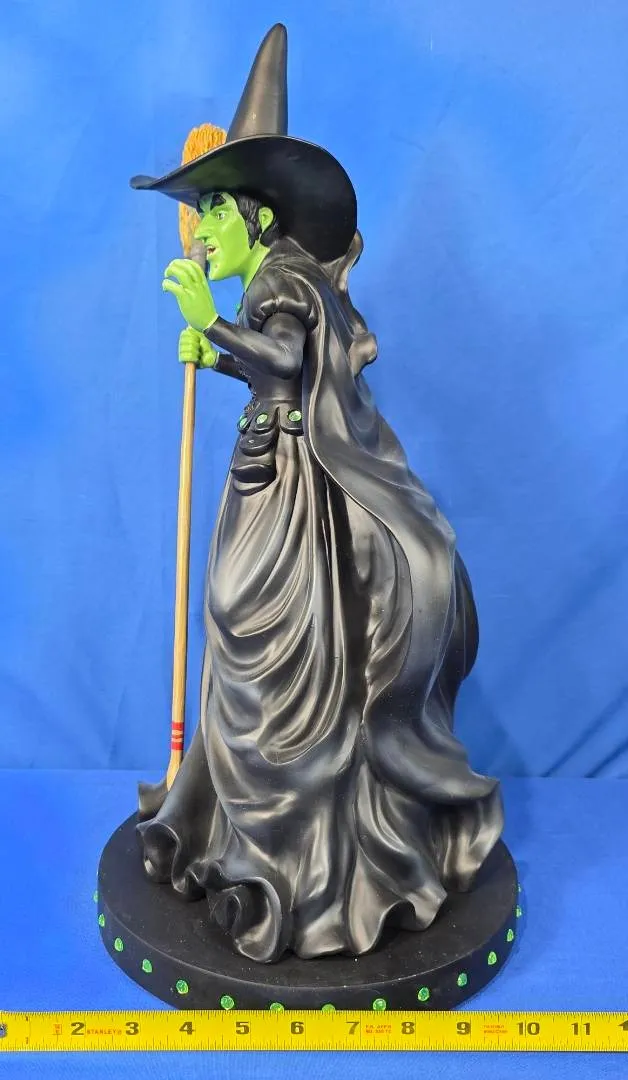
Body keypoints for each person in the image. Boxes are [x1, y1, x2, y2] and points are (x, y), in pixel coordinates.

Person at [131, 24, 503, 964]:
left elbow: (287, 361)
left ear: (256, 218)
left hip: (294, 492)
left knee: (262, 641)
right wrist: (216, 348)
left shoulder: (285, 283)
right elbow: (270, 372)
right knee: (237, 637)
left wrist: (210, 322)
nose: (199, 232)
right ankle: (234, 822)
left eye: (212, 214)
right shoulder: (269, 281)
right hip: (266, 473)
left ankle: (293, 855)